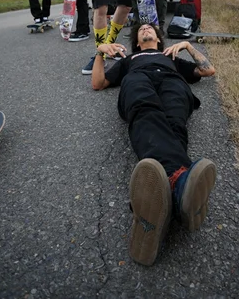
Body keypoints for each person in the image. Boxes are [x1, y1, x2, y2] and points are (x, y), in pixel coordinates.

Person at [92, 23, 217, 266]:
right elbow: (98, 83)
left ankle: (156, 208)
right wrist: (100, 51)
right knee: (145, 112)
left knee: (174, 122)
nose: (146, 28)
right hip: (138, 80)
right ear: (138, 43)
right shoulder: (130, 59)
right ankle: (180, 183)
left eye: (150, 28)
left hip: (173, 81)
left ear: (159, 40)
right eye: (141, 29)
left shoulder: (170, 56)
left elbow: (208, 70)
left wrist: (188, 46)